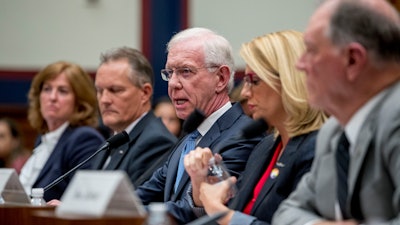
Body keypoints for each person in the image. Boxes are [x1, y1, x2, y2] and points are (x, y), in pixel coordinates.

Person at [272, 0, 400, 224]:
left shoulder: (395, 115)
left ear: (353, 59)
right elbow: (286, 213)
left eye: (311, 50)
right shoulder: (333, 131)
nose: (300, 65)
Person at [184, 30, 327, 225]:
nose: (244, 92)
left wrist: (219, 211)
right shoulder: (266, 146)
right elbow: (239, 210)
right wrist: (203, 186)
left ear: (289, 81)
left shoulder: (319, 149)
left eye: (254, 81)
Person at [135, 27, 263, 224]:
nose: (173, 84)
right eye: (169, 73)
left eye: (185, 71)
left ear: (220, 78)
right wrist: (107, 210)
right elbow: (148, 192)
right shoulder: (190, 136)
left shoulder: (242, 136)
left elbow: (203, 208)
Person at [91, 47, 177, 188]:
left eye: (115, 90)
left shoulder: (156, 142)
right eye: (100, 91)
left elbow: (132, 205)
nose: (104, 99)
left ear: (144, 93)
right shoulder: (110, 141)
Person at [19, 61, 105, 201]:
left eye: (62, 91)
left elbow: (85, 202)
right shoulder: (43, 139)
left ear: (79, 101)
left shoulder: (84, 139)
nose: (52, 97)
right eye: (47, 89)